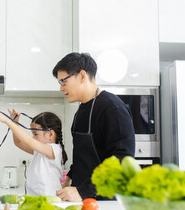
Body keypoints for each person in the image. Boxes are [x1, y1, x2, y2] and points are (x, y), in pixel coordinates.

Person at [53, 52, 135, 201]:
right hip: (83, 198)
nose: (61, 88)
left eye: (63, 81)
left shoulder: (112, 108)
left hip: (106, 200)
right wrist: (70, 178)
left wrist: (83, 191)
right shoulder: (81, 110)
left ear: (82, 76)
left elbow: (122, 159)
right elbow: (83, 155)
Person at [0, 109, 67, 196]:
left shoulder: (54, 150)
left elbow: (28, 141)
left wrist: (7, 121)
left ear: (50, 134)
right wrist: (15, 122)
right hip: (35, 198)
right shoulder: (40, 151)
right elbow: (18, 142)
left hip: (49, 199)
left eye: (35, 134)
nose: (33, 137)